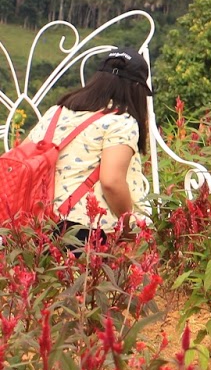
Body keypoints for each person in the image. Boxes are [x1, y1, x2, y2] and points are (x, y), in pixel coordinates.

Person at [26, 49, 153, 253]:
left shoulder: (56, 113)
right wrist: (128, 229)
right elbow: (111, 182)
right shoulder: (120, 121)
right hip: (84, 232)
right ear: (135, 88)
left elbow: (23, 159)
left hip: (36, 226)